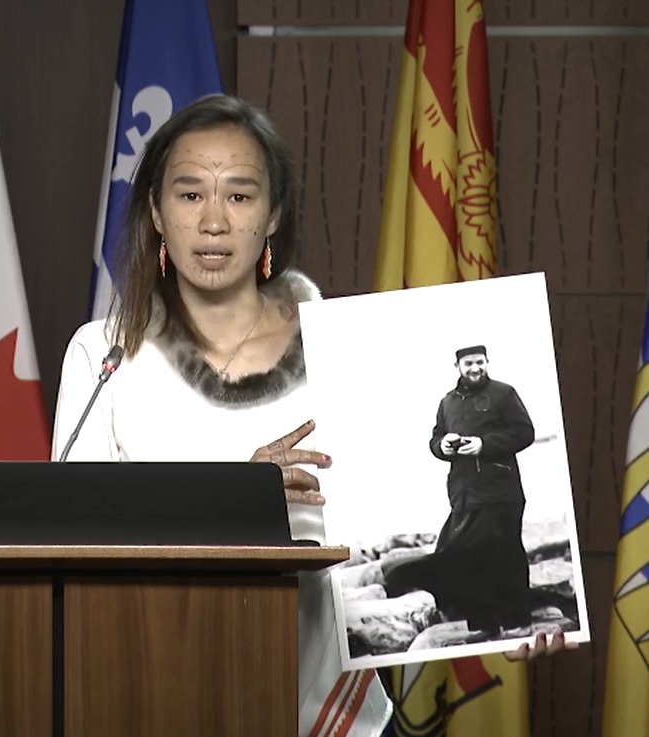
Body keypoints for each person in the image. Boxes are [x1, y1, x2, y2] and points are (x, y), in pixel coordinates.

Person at [51, 93, 565, 736]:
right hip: (154, 689)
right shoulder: (103, 356)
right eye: (189, 195)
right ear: (156, 210)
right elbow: (70, 540)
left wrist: (506, 620)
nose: (213, 221)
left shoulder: (344, 356)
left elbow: (400, 518)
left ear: (272, 215)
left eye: (239, 196)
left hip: (321, 707)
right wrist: (235, 497)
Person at [385, 345, 539, 641]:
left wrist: (484, 444)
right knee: (464, 557)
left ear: (487, 362)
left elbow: (524, 432)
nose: (475, 368)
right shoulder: (448, 402)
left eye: (480, 362)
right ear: (457, 365)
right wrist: (442, 446)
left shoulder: (504, 393)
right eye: (469, 363)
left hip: (501, 491)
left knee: (506, 555)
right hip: (463, 495)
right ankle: (483, 623)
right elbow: (435, 438)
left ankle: (518, 620)